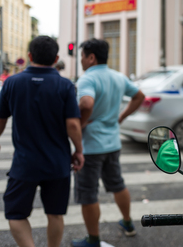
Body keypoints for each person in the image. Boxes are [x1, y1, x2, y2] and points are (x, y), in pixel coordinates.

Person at [0, 36, 84, 247]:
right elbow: (74, 126)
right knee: (55, 214)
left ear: (30, 56)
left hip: (24, 164)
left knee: (15, 214)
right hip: (58, 163)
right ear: (56, 58)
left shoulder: (13, 82)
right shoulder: (65, 85)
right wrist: (79, 151)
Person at [72, 38, 145, 247]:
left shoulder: (87, 78)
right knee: (117, 185)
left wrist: (82, 123)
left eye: (82, 57)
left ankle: (93, 240)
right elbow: (139, 96)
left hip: (91, 147)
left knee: (88, 193)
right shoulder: (118, 77)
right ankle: (128, 224)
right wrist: (120, 117)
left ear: (91, 57)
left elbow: (86, 103)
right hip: (113, 143)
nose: (81, 61)